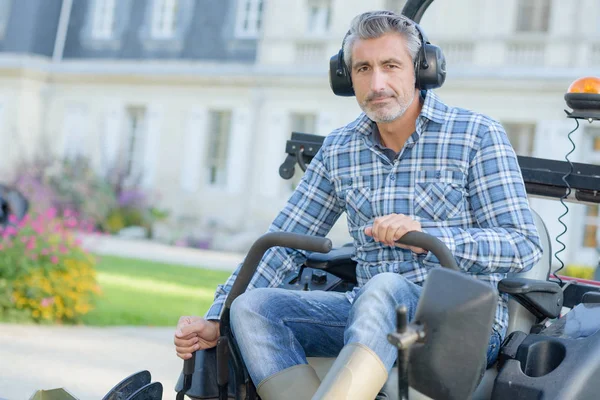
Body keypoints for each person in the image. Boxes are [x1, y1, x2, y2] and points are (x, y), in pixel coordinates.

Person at [174, 10, 543, 400]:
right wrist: (218, 316)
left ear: (421, 69)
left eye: (390, 66)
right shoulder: (340, 148)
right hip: (366, 312)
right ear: (346, 77)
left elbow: (522, 245)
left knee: (384, 287)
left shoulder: (477, 135)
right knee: (252, 309)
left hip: (458, 326)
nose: (377, 83)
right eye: (363, 68)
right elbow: (283, 243)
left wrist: (428, 237)